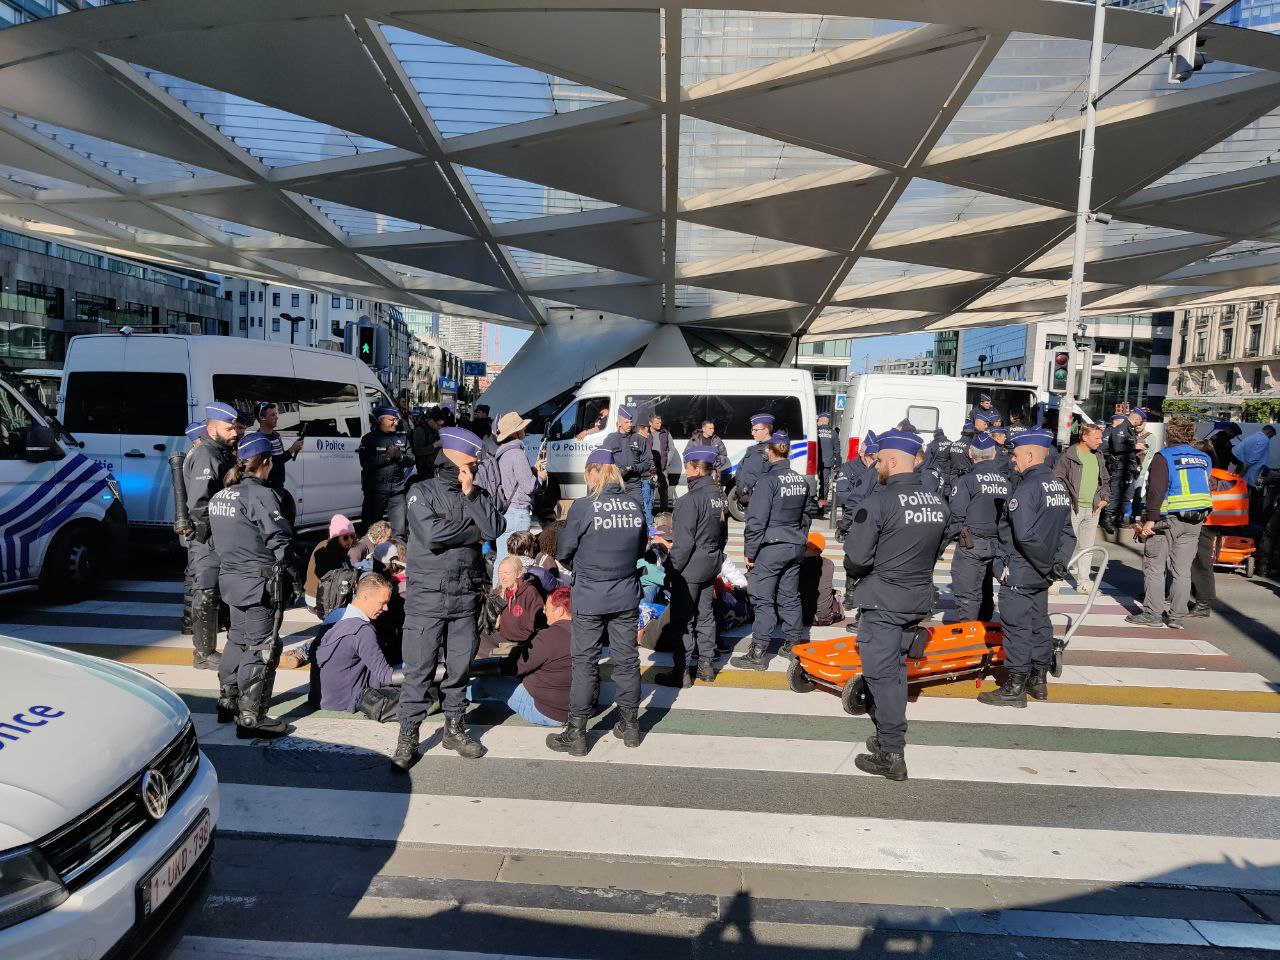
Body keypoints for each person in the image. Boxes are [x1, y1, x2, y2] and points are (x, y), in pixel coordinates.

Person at [391, 427, 506, 772]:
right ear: (457, 460)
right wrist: (473, 530)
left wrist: (471, 498)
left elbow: (496, 528)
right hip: (427, 596)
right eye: (472, 461)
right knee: (419, 670)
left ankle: (454, 728)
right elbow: (432, 535)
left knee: (459, 668)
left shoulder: (478, 493)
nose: (476, 466)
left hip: (465, 595)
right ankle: (408, 736)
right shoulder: (420, 491)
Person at [844, 429, 949, 782]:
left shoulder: (878, 502)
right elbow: (935, 551)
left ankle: (891, 752)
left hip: (884, 598)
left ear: (890, 461)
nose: (875, 466)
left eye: (878, 461)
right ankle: (887, 736)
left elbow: (857, 559)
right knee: (897, 670)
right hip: (917, 597)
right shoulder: (937, 502)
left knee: (882, 673)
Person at [547, 447, 647, 756]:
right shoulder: (633, 504)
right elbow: (641, 547)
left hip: (590, 594)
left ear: (592, 473)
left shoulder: (584, 506)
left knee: (585, 663)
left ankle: (576, 733)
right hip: (626, 592)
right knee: (627, 658)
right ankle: (630, 726)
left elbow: (564, 551)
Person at [207, 430, 298, 739]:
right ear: (267, 462)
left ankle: (227, 699)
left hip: (231, 579)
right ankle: (251, 715)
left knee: (237, 639)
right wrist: (293, 575)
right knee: (261, 646)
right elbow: (279, 539)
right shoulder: (261, 494)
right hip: (259, 581)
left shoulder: (222, 495)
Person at [979, 429, 1075, 708]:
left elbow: (1024, 535)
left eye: (1016, 454)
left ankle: (1015, 686)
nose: (1012, 460)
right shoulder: (1057, 486)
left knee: (1018, 627)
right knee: (1039, 624)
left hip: (1022, 568)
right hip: (1042, 571)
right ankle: (1039, 679)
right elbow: (1068, 533)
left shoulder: (1026, 489)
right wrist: (1057, 564)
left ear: (1030, 455)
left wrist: (1046, 565)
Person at [731, 430, 814, 670]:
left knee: (762, 598)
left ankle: (758, 653)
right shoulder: (800, 480)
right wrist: (800, 538)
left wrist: (750, 552)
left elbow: (755, 521)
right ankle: (793, 643)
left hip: (772, 546)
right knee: (789, 595)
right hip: (795, 545)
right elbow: (806, 515)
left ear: (769, 452)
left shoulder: (767, 482)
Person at [1125, 417, 1213, 629]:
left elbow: (1156, 491)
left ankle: (1153, 614)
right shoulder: (1203, 458)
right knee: (1182, 570)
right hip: (1196, 519)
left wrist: (1149, 520)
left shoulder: (1164, 456)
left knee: (1155, 565)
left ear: (1169, 435)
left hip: (1167, 519)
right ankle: (1176, 616)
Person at [656, 445, 727, 687]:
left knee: (683, 620)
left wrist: (671, 568)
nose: (685, 472)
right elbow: (723, 534)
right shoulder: (719, 496)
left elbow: (683, 544)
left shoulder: (689, 500)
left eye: (687, 466)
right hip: (710, 562)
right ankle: (707, 666)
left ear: (696, 469)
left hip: (689, 569)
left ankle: (682, 672)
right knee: (706, 615)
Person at [183, 401, 242, 669]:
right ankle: (204, 654)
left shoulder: (221, 451)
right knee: (205, 592)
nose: (235, 432)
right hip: (208, 538)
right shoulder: (207, 454)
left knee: (217, 591)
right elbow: (199, 504)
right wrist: (222, 530)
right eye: (229, 428)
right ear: (211, 427)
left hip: (219, 536)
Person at [472, 586, 574, 727]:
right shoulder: (586, 634)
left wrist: (475, 668)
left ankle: (454, 696)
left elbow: (516, 666)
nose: (544, 612)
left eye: (548, 607)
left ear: (560, 610)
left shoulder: (548, 636)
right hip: (578, 710)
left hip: (549, 711)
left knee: (488, 681)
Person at [309, 573, 400, 720]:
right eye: (382, 602)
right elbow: (385, 675)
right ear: (365, 596)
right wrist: (423, 673)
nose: (386, 608)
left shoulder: (336, 615)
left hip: (319, 697)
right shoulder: (362, 631)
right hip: (344, 700)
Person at [944, 431, 1010, 623]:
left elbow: (956, 517)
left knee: (968, 597)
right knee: (986, 592)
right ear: (994, 454)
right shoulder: (1005, 482)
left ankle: (970, 642)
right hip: (998, 545)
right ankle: (985, 635)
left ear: (971, 454)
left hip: (971, 546)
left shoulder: (967, 481)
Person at [1189, 444, 1248, 619]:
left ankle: (1203, 603)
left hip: (1205, 522)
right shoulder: (1217, 472)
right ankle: (1197, 599)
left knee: (1200, 561)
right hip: (1212, 522)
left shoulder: (1208, 474)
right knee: (1197, 560)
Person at [1053, 422, 1109, 590]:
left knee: (1087, 547)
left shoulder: (1098, 456)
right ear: (1084, 437)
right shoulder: (1068, 455)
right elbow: (1057, 478)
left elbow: (1105, 479)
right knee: (1064, 544)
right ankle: (1055, 579)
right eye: (1097, 438)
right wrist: (1066, 499)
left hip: (1093, 509)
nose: (1100, 441)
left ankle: (1084, 582)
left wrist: (1105, 498)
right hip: (1072, 507)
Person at [489, 411, 540, 583]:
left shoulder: (503, 453)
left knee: (502, 559)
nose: (524, 430)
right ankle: (504, 600)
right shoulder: (517, 453)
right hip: (518, 511)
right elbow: (528, 486)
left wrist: (532, 471)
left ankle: (496, 598)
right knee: (514, 562)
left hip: (505, 510)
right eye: (522, 427)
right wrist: (540, 477)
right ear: (516, 433)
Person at [835, 431, 880, 615]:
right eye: (871, 456)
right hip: (855, 520)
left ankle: (865, 600)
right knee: (853, 559)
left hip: (873, 523)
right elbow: (843, 494)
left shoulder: (880, 471)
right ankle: (851, 595)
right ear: (862, 453)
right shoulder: (849, 468)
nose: (874, 459)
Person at [359, 405, 411, 538]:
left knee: (399, 531)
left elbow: (411, 460)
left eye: (396, 419)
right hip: (376, 491)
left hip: (397, 490)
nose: (396, 422)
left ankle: (398, 555)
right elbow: (366, 462)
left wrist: (400, 456)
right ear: (381, 420)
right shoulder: (369, 439)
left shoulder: (402, 438)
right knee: (371, 529)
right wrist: (387, 457)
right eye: (392, 419)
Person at [478, 555, 546, 657]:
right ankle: (499, 658)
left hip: (523, 641)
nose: (502, 577)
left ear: (518, 573)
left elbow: (538, 623)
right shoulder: (498, 591)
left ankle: (509, 654)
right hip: (502, 637)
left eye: (507, 573)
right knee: (477, 634)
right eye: (500, 573)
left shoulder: (530, 592)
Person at [305, 514, 357, 610]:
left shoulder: (327, 545)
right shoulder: (330, 552)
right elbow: (340, 580)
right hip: (318, 598)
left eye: (352, 536)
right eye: (345, 537)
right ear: (335, 537)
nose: (350, 540)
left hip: (317, 594)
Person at [601, 404, 650, 506]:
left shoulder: (639, 439)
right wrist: (615, 470)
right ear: (619, 423)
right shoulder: (610, 440)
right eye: (626, 422)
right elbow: (603, 463)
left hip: (634, 486)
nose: (630, 425)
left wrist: (633, 468)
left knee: (638, 514)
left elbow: (647, 464)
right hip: (615, 485)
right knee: (616, 515)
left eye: (631, 422)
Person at [256, 401, 303, 498]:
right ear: (262, 418)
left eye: (276, 414)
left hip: (279, 485)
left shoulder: (276, 435)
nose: (277, 417)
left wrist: (293, 449)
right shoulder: (259, 439)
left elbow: (280, 458)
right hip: (267, 487)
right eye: (272, 415)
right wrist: (292, 449)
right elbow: (272, 462)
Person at [1100, 413, 1136, 534]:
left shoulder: (1127, 432)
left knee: (1126, 494)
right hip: (1113, 467)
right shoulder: (1109, 432)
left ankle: (1118, 517)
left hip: (1127, 467)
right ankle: (1107, 518)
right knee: (1114, 493)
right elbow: (1103, 450)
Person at [799, 531, 842, 627]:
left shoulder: (799, 564)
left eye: (806, 547)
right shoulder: (829, 564)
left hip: (802, 615)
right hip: (825, 616)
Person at [1238, 425, 1276, 524]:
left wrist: (1242, 468)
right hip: (1256, 474)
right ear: (1269, 432)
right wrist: (1246, 467)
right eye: (1271, 436)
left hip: (1246, 473)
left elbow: (1239, 452)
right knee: (1257, 499)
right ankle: (1253, 520)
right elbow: (1255, 456)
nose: (1270, 438)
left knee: (1244, 497)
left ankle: (1243, 518)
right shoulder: (1264, 439)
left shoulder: (1250, 438)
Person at [733, 413, 774, 507]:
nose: (752, 433)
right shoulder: (752, 449)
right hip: (746, 498)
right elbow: (741, 471)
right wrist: (740, 491)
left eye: (756, 430)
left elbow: (768, 478)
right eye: (752, 429)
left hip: (760, 501)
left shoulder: (773, 450)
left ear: (766, 430)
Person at [649, 412, 674, 513]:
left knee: (664, 492)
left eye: (660, 422)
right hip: (649, 468)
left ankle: (664, 513)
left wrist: (667, 462)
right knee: (649, 492)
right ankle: (649, 514)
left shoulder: (665, 433)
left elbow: (672, 449)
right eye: (657, 423)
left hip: (662, 468)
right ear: (650, 423)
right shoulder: (646, 433)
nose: (660, 425)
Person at [410, 407, 442, 482]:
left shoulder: (434, 430)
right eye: (438, 425)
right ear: (432, 420)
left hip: (432, 468)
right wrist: (435, 445)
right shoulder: (420, 430)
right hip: (423, 470)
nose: (439, 427)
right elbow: (417, 451)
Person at [635, 418, 656, 526]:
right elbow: (649, 459)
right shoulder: (643, 441)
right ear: (641, 431)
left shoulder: (633, 442)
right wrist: (653, 473)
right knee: (648, 502)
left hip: (639, 477)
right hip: (646, 477)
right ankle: (649, 528)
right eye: (647, 431)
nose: (648, 434)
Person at [816, 412, 839, 510]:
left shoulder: (816, 432)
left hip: (815, 462)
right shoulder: (833, 433)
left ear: (821, 421)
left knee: (812, 482)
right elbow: (837, 450)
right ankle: (822, 506)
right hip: (827, 463)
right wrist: (837, 464)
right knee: (824, 484)